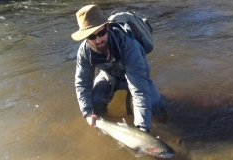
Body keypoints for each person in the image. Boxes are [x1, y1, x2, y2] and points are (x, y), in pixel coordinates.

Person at [71, 5, 167, 133]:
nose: (98, 40)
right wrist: (87, 112)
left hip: (138, 79)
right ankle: (105, 131)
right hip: (109, 76)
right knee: (95, 101)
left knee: (157, 107)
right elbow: (82, 82)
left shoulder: (129, 46)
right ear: (85, 38)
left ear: (107, 27)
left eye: (101, 33)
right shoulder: (84, 51)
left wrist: (143, 132)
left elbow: (139, 91)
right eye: (91, 37)